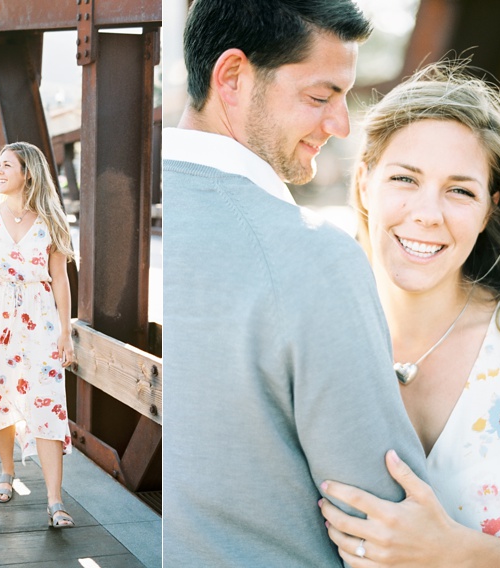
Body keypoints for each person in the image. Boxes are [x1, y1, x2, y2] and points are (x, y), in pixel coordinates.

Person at [163, 1, 429, 565]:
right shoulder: (317, 257)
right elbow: (390, 525)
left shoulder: (117, 216)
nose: (341, 125)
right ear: (232, 78)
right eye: (320, 96)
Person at [319, 62, 500, 566]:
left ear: (489, 208)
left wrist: (453, 552)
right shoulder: (314, 334)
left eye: (460, 190)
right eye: (404, 179)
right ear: (363, 185)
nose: (427, 213)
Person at [0, 142, 75, 527]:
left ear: (28, 172)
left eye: (7, 165)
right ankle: (7, 471)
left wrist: (66, 332)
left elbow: (60, 280)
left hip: (41, 320)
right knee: (2, 398)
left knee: (47, 403)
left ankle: (55, 501)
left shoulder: (52, 220)